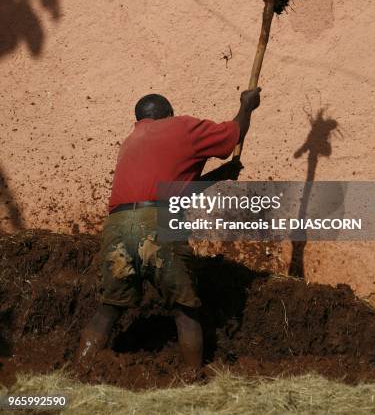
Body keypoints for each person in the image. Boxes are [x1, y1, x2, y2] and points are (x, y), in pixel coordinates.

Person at [77, 87, 261, 369]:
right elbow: (233, 133)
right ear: (169, 114)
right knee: (185, 309)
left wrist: (217, 177)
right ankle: (193, 381)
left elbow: (163, 192)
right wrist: (247, 106)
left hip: (117, 225)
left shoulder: (131, 142)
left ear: (139, 120)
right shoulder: (182, 127)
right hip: (160, 221)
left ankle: (80, 370)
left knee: (110, 307)